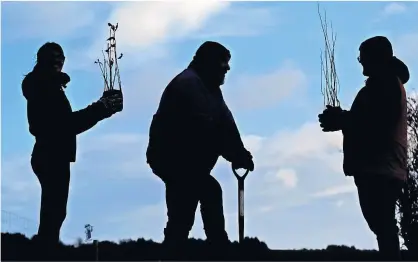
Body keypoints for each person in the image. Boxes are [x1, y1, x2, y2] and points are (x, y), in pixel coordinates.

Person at [146, 41, 254, 256]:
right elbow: (205, 130)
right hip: (175, 161)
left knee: (188, 211)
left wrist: (240, 152)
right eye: (223, 64)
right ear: (210, 63)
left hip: (191, 164)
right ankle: (218, 247)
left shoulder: (210, 88)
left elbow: (226, 123)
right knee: (195, 203)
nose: (228, 69)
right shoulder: (188, 86)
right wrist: (234, 154)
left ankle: (216, 246)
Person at [22, 42, 123, 256]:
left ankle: (44, 254)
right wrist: (101, 108)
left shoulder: (44, 86)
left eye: (61, 57)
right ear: (42, 61)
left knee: (54, 215)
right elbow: (67, 125)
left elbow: (65, 124)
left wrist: (100, 108)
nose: (59, 61)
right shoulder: (45, 88)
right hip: (52, 156)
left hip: (49, 155)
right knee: (53, 215)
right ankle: (43, 256)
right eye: (53, 57)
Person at [318, 36, 409, 260]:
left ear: (375, 57)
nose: (361, 62)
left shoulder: (385, 84)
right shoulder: (384, 84)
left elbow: (377, 123)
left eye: (363, 56)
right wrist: (343, 120)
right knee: (382, 224)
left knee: (383, 225)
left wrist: (342, 120)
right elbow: (368, 120)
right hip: (384, 167)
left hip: (381, 167)